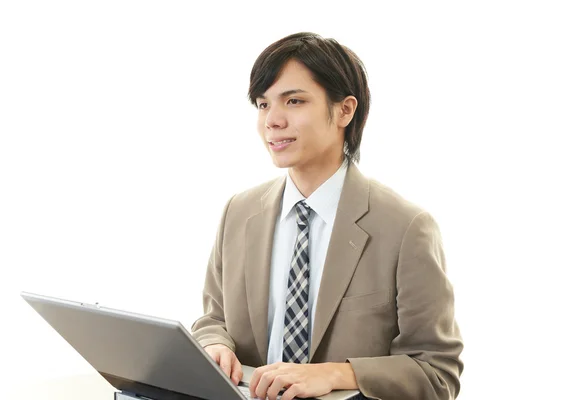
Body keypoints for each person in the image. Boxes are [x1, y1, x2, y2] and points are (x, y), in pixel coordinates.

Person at [191, 32, 464, 400]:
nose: (272, 120)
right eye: (262, 104)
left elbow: (437, 373)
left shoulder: (405, 228)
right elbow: (213, 320)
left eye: (294, 101)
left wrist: (337, 374)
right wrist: (214, 347)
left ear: (344, 110)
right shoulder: (239, 213)